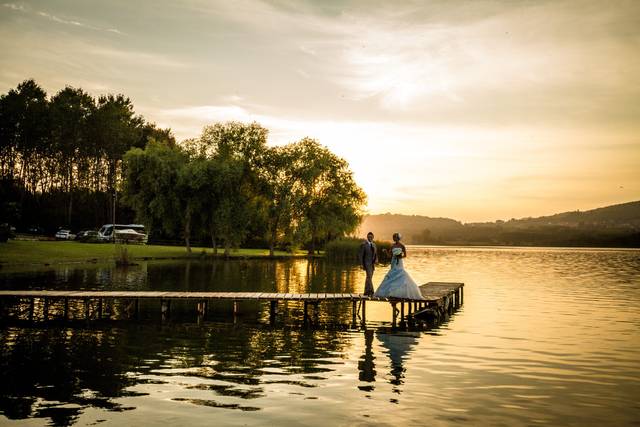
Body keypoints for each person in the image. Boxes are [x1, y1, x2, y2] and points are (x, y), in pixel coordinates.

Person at [374, 233, 424, 300]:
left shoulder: (402, 246)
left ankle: (400, 292)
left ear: (398, 238)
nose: (394, 239)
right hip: (393, 262)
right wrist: (386, 252)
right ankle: (390, 291)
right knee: (392, 274)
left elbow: (405, 255)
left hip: (399, 262)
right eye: (393, 237)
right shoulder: (392, 246)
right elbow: (390, 256)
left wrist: (400, 256)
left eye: (394, 237)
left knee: (401, 273)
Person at [358, 231, 377, 296]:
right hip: (367, 263)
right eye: (369, 237)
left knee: (369, 278)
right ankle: (372, 291)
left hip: (372, 264)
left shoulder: (374, 245)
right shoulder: (363, 244)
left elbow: (376, 254)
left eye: (371, 237)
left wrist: (376, 260)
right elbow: (360, 255)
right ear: (367, 237)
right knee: (369, 277)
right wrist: (361, 264)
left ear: (373, 237)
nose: (370, 238)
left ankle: (366, 292)